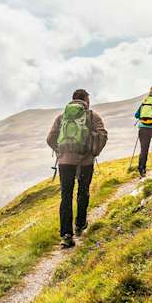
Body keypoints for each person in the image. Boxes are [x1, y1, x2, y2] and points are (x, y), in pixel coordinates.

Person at [47, 89, 108, 248]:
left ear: (73, 100)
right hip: (85, 162)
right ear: (86, 100)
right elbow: (102, 135)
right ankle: (80, 224)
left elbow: (50, 138)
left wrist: (60, 151)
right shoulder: (92, 116)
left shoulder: (61, 117)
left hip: (65, 162)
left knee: (66, 196)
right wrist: (94, 152)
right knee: (83, 192)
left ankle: (66, 235)